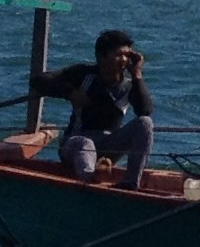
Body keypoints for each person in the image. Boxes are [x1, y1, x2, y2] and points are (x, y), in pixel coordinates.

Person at [31, 28, 155, 185]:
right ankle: (91, 177)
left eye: (127, 55)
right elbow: (38, 80)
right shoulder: (83, 75)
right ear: (101, 56)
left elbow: (145, 110)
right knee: (86, 143)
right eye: (118, 55)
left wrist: (137, 73)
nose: (124, 60)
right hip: (75, 144)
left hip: (107, 146)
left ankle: (130, 182)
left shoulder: (130, 85)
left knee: (145, 123)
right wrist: (69, 92)